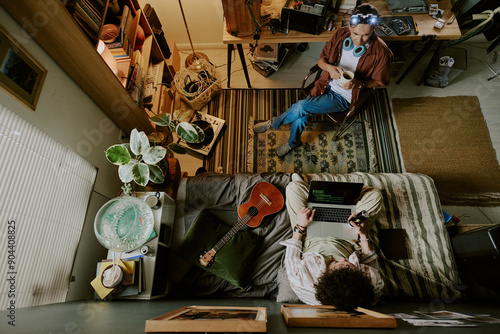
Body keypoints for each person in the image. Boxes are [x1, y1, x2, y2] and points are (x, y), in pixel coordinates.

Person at [253, 4, 393, 157]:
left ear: (374, 28)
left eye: (365, 35)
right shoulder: (340, 34)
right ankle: (293, 143)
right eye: (355, 33)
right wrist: (329, 68)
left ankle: (274, 123)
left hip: (344, 97)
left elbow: (381, 82)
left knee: (301, 107)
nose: (359, 41)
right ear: (349, 25)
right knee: (300, 118)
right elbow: (321, 61)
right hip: (325, 83)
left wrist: (360, 84)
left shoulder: (383, 53)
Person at [280, 174, 384, 310]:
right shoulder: (370, 287)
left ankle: (319, 193)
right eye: (348, 263)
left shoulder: (303, 284)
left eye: (337, 264)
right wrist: (362, 233)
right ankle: (344, 196)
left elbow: (291, 256)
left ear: (325, 276)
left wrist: (300, 226)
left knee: (293, 188)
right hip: (349, 237)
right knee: (375, 196)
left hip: (311, 236)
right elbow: (371, 262)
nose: (341, 258)